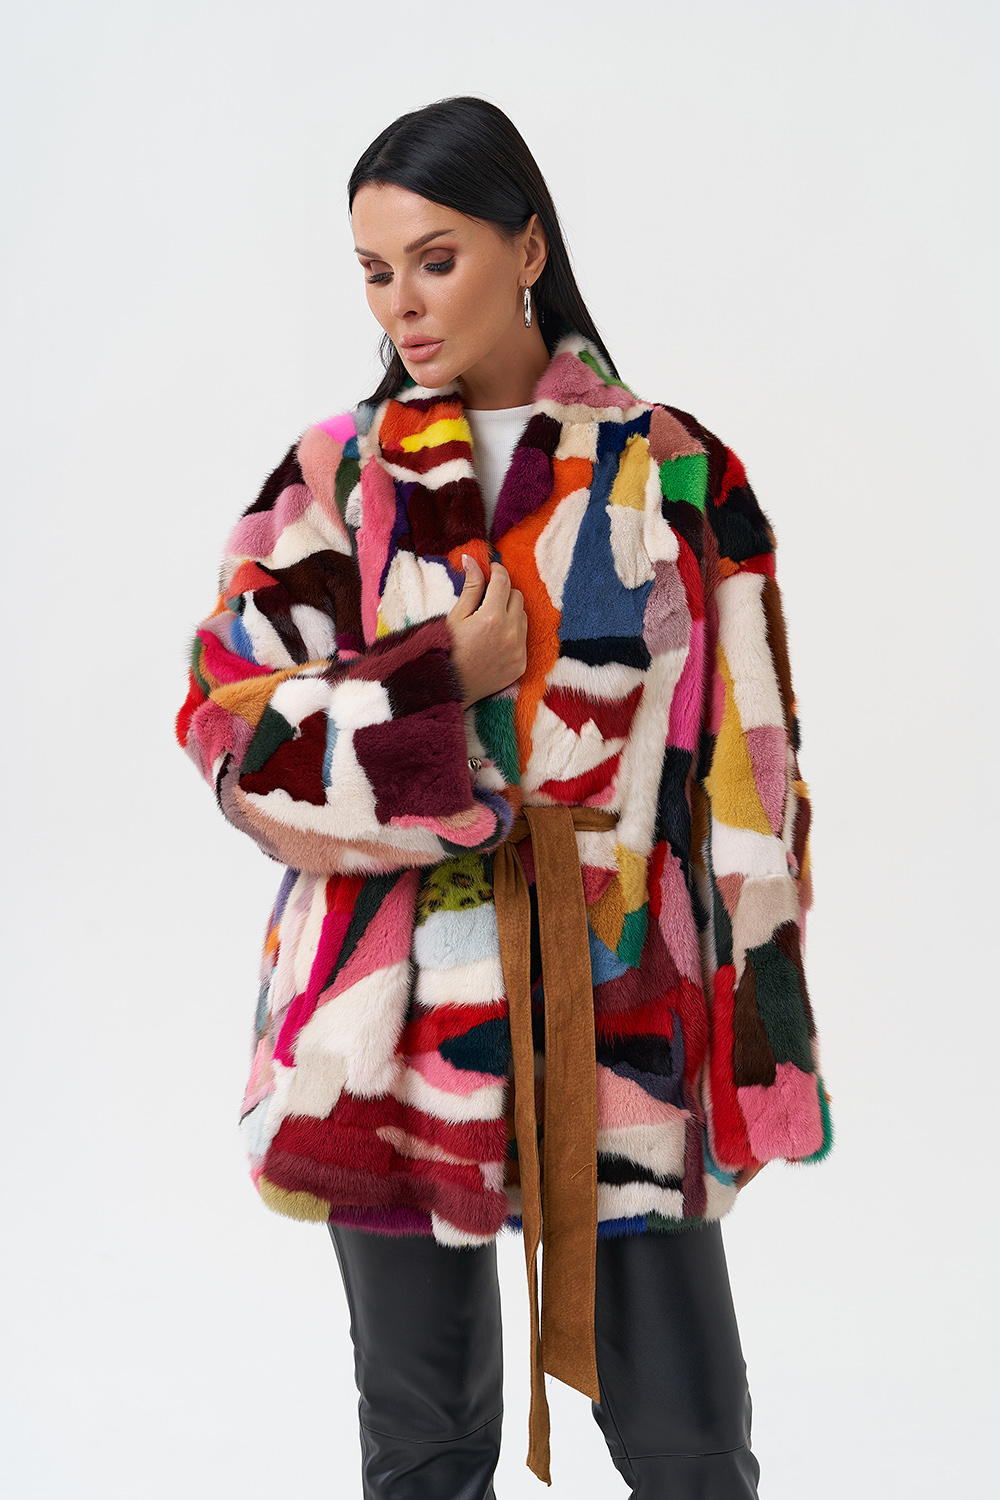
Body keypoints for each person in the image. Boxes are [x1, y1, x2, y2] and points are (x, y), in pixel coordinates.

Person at [176, 96, 832, 1499]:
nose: (401, 304)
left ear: (528, 247)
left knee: (690, 1443)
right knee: (422, 1447)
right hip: (389, 1021)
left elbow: (754, 772)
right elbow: (233, 734)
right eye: (374, 271)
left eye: (436, 258)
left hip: (623, 999)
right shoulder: (338, 478)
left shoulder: (673, 468)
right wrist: (432, 679)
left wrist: (761, 1036)